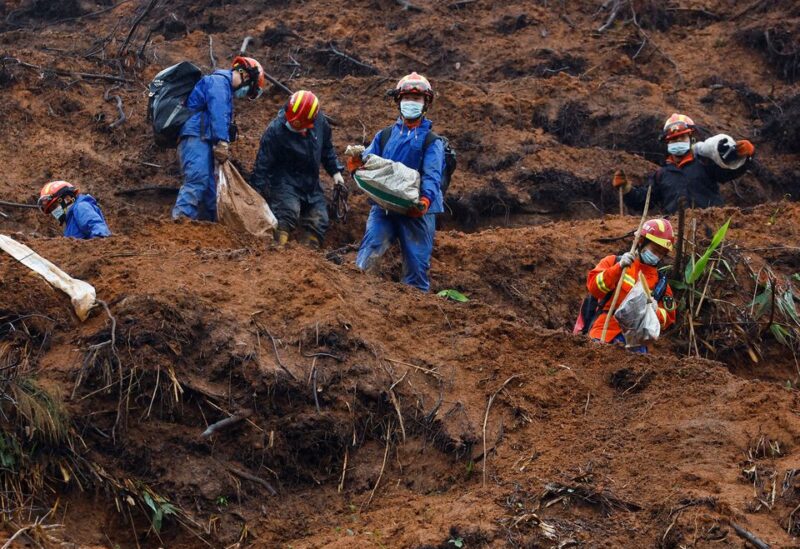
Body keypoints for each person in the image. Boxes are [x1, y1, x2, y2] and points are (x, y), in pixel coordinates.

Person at [351, 72, 445, 292]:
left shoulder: (432, 142)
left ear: (426, 103)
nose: (411, 103)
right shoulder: (384, 136)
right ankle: (358, 299)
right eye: (407, 98)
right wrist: (356, 165)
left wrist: (425, 201)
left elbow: (433, 175)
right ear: (398, 101)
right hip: (384, 208)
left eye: (417, 99)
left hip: (417, 211)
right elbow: (369, 163)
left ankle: (415, 310)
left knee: (416, 265)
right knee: (368, 254)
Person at [172, 56, 266, 221]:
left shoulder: (225, 90)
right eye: (249, 89)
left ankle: (213, 229)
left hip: (204, 139)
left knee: (211, 191)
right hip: (195, 138)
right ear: (244, 75)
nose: (245, 94)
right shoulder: (218, 82)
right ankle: (179, 223)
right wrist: (222, 141)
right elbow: (218, 112)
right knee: (197, 179)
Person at [249, 90, 344, 248]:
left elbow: (327, 149)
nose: (293, 125)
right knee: (287, 213)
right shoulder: (275, 131)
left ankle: (308, 255)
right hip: (285, 181)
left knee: (319, 220)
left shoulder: (319, 122)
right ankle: (277, 249)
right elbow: (262, 165)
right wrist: (254, 197)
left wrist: (335, 172)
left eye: (298, 124)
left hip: (311, 184)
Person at [616, 113, 756, 214]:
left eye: (682, 137)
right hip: (679, 233)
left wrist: (745, 156)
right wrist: (626, 189)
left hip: (711, 226)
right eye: (673, 139)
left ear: (690, 138)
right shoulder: (662, 175)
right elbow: (643, 201)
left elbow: (729, 172)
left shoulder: (704, 163)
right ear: (667, 143)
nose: (678, 141)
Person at [586, 218, 677, 352]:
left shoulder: (661, 284)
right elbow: (594, 288)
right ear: (641, 241)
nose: (657, 256)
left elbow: (668, 319)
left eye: (662, 253)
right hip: (604, 334)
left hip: (636, 344)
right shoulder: (613, 262)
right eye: (655, 249)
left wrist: (655, 310)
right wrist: (618, 269)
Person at [37, 181, 111, 239]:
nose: (54, 211)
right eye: (52, 209)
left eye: (54, 206)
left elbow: (99, 232)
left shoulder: (81, 207)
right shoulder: (70, 220)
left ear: (68, 198)